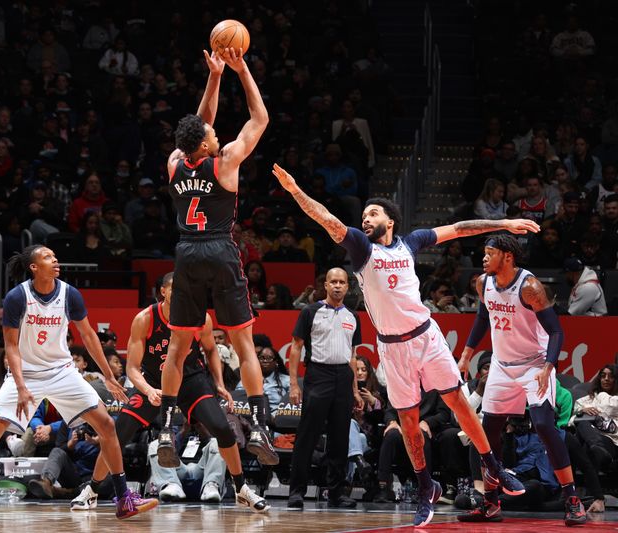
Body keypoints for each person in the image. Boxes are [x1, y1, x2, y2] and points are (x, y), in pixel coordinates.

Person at [272, 164, 532, 527]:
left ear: (390, 221)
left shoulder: (411, 243)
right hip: (392, 348)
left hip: (426, 335)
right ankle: (427, 487)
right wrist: (296, 190)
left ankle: (493, 467)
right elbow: (327, 219)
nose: (365, 220)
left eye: (372, 214)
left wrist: (503, 225)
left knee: (457, 401)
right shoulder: (362, 250)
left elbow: (458, 229)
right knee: (409, 422)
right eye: (363, 215)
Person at [0, 245, 157, 520]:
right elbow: (12, 347)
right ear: (33, 267)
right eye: (47, 257)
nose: (55, 260)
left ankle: (123, 498)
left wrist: (110, 376)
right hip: (27, 373)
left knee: (107, 425)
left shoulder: (69, 293)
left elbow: (88, 336)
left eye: (54, 256)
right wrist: (20, 386)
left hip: (62, 371)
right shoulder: (18, 297)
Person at [158, 47, 277, 468]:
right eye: (211, 134)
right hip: (221, 250)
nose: (216, 133)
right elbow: (259, 119)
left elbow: (197, 124)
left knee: (177, 345)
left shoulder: (175, 162)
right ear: (206, 145)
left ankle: (166, 426)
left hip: (187, 252)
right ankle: (261, 426)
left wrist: (213, 77)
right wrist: (242, 71)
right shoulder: (225, 161)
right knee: (243, 343)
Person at [71, 273, 269, 513]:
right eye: (176, 289)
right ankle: (91, 490)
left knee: (223, 429)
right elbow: (132, 368)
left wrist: (218, 382)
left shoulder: (201, 318)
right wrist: (147, 389)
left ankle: (241, 489)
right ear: (163, 291)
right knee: (117, 433)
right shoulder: (145, 319)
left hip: (192, 380)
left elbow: (211, 351)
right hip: (153, 381)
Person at [456, 234, 586, 526]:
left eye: (490, 253)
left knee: (543, 425)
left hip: (534, 364)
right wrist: (466, 354)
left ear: (508, 257)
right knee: (488, 430)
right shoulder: (483, 283)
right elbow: (481, 318)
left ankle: (573, 499)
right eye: (484, 253)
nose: (484, 258)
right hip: (502, 365)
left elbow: (556, 332)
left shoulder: (529, 287)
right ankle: (491, 503)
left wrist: (548, 367)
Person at [286, 268, 362, 509]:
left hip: (343, 378)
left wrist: (356, 389)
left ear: (347, 288)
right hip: (318, 374)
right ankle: (296, 492)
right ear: (326, 285)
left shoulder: (352, 316)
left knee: (340, 439)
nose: (338, 286)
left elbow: (353, 355)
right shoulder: (310, 311)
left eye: (342, 282)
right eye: (333, 282)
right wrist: (294, 384)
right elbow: (296, 347)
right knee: (308, 436)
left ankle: (336, 493)